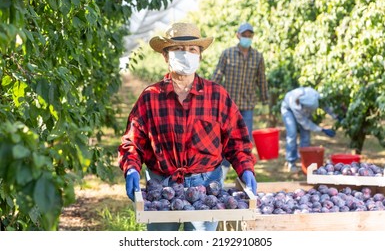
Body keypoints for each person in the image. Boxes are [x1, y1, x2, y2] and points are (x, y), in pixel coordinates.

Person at [118, 22, 257, 231]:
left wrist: (245, 168)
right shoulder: (151, 97)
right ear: (165, 56)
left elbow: (236, 140)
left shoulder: (217, 95)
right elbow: (133, 142)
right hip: (162, 186)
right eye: (178, 49)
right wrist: (131, 169)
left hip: (206, 187)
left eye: (192, 50)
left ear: (199, 56)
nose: (186, 54)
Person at [212, 22, 268, 182]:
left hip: (247, 106)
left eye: (250, 36)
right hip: (228, 106)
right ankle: (221, 173)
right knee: (224, 139)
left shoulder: (258, 56)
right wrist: (208, 95)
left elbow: (262, 80)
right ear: (238, 35)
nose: (247, 38)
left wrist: (265, 102)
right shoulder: (227, 54)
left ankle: (245, 173)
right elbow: (217, 75)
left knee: (244, 141)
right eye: (245, 35)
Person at [281, 87, 336, 172]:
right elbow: (306, 124)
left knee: (306, 137)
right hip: (288, 109)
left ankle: (304, 161)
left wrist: (335, 115)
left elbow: (325, 106)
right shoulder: (295, 105)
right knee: (292, 134)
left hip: (303, 111)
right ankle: (291, 161)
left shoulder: (314, 95)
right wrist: (322, 130)